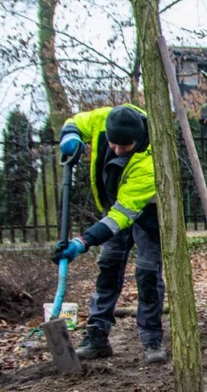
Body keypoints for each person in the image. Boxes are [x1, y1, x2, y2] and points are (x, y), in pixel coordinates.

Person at [51, 105, 166, 364]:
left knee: (147, 272)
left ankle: (152, 340)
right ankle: (97, 336)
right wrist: (71, 135)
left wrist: (83, 241)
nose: (116, 150)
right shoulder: (103, 119)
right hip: (113, 203)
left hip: (146, 210)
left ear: (136, 140)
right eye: (113, 144)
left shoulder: (150, 159)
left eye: (123, 147)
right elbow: (75, 122)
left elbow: (120, 217)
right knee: (108, 266)